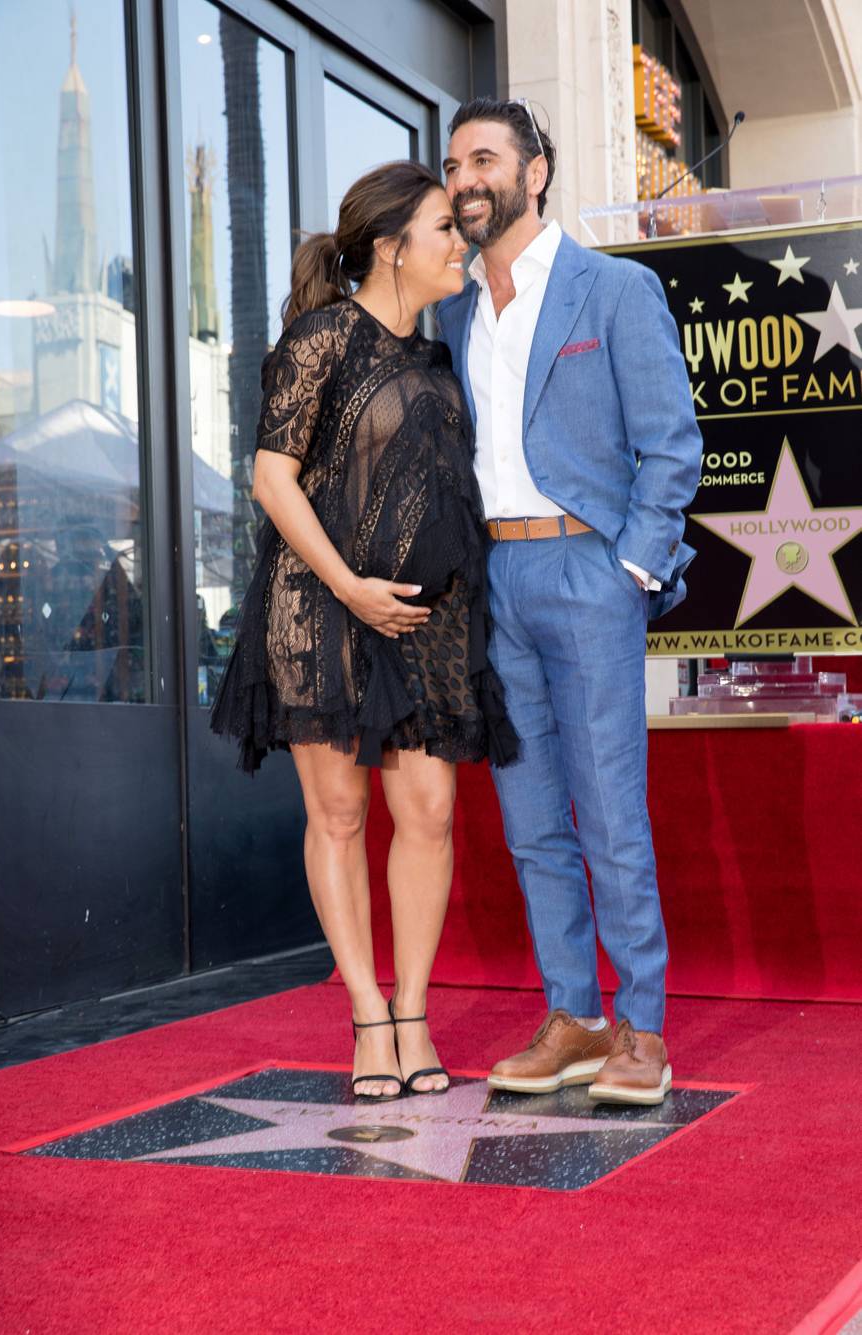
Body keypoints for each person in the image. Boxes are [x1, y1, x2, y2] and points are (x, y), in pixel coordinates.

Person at [211, 161, 517, 1103]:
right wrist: (350, 585)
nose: (458, 241)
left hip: (426, 626)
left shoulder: (438, 357)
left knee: (427, 814)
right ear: (390, 247)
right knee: (339, 816)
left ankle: (415, 1010)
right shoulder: (322, 339)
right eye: (440, 228)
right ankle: (367, 1016)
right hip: (322, 612)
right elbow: (272, 477)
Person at [438, 98, 702, 1106]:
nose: (466, 178)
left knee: (607, 811)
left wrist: (630, 568)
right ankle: (574, 1017)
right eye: (455, 163)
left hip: (586, 575)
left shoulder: (611, 290)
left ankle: (640, 1027)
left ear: (533, 171)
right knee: (529, 819)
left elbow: (670, 444)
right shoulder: (456, 314)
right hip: (495, 583)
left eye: (485, 159)